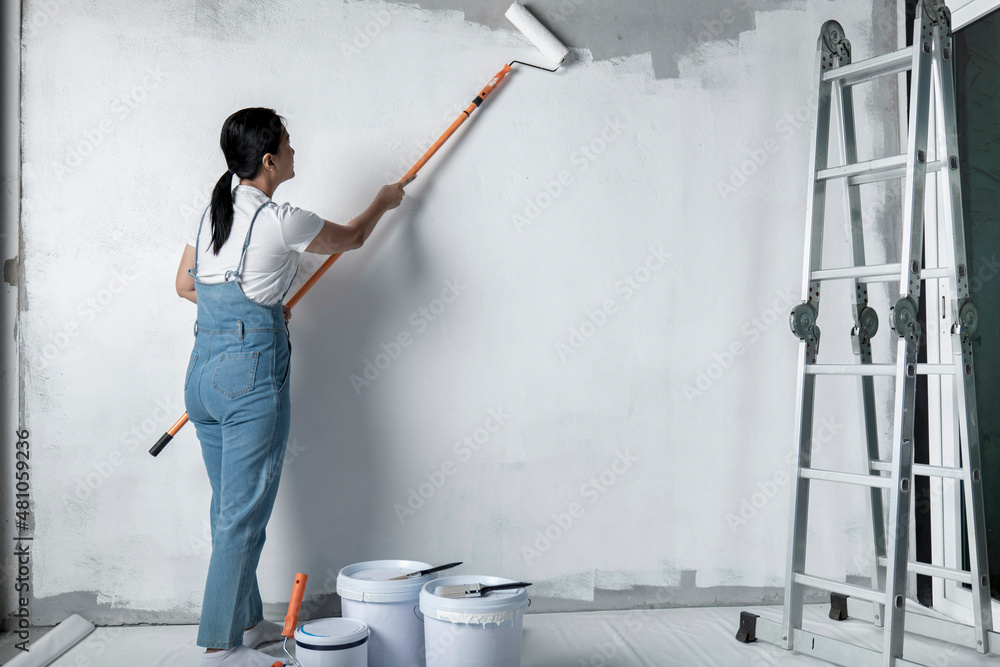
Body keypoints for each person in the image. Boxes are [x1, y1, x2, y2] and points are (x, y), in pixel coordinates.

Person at [175, 107, 413, 667]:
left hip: (203, 375)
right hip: (249, 378)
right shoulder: (284, 219)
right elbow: (351, 240)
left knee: (230, 511)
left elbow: (186, 285)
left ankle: (245, 623)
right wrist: (384, 201)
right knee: (241, 514)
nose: (294, 149)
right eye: (288, 142)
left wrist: (261, 308)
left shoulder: (209, 214)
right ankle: (217, 644)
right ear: (268, 160)